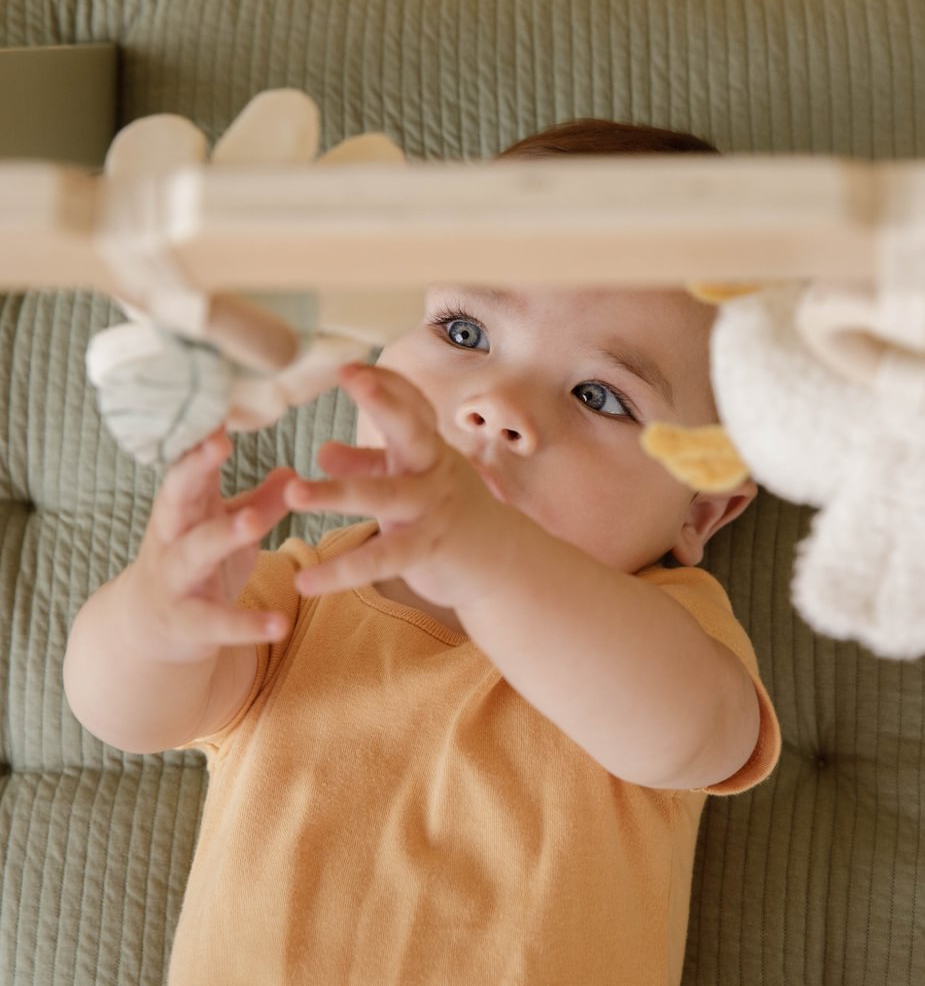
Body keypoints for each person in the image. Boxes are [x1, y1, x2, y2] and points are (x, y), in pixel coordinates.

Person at [63, 119, 781, 986]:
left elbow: (688, 736)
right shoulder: (297, 595)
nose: (496, 405)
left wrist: (494, 560)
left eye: (602, 395)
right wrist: (153, 618)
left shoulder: (669, 631)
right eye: (466, 333)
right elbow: (124, 715)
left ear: (701, 509)